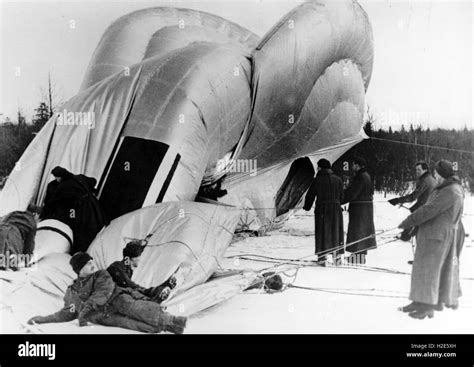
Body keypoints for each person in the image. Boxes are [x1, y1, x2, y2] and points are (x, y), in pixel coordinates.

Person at [27, 252, 187, 334]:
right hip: (103, 315)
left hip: (117, 298)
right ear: (79, 268)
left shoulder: (101, 275)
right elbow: (67, 313)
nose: (92, 265)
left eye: (91, 262)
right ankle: (168, 327)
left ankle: (174, 320)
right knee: (131, 325)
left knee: (132, 307)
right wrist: (42, 320)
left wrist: (87, 307)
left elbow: (105, 291)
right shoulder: (72, 291)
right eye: (88, 263)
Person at [398, 160, 465, 320]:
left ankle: (426, 306)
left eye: (436, 173)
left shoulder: (450, 191)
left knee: (429, 271)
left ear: (442, 174)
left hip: (437, 236)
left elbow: (429, 210)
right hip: (431, 235)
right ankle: (418, 301)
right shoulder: (445, 188)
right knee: (422, 269)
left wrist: (408, 222)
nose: (434, 175)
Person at [40, 166, 108, 254]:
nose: (56, 179)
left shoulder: (62, 186)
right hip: (93, 206)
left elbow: (54, 202)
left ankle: (83, 251)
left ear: (59, 176)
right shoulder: (79, 177)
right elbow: (93, 180)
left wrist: (44, 213)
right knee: (95, 225)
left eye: (56, 177)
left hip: (81, 209)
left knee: (83, 231)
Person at [107, 241, 177, 303]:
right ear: (130, 258)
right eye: (138, 256)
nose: (139, 259)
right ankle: (154, 296)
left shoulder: (127, 269)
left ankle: (158, 291)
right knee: (133, 291)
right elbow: (129, 285)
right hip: (110, 295)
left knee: (133, 291)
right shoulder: (116, 267)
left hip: (115, 294)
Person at [303, 159, 344, 265]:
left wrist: (307, 207)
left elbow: (310, 195)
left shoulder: (317, 180)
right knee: (335, 231)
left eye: (318, 167)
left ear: (320, 167)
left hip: (322, 209)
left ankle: (322, 258)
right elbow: (342, 196)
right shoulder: (338, 179)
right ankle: (337, 257)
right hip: (336, 209)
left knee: (322, 232)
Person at [388, 161, 436, 242]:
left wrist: (398, 200)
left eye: (419, 170)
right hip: (429, 210)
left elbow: (413, 197)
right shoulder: (431, 179)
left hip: (423, 211)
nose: (417, 172)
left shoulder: (425, 181)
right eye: (416, 170)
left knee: (414, 234)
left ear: (425, 170)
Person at [341, 157, 376, 264]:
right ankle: (360, 256)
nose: (352, 167)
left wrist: (340, 200)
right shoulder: (367, 175)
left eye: (353, 165)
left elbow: (353, 193)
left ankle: (357, 257)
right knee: (363, 231)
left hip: (359, 209)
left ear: (357, 165)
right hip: (366, 208)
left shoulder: (360, 177)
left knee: (357, 231)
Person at [0, 205, 40, 270]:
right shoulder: (32, 222)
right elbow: (29, 245)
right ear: (36, 215)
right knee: (10, 266)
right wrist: (27, 262)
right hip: (13, 235)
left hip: (2, 229)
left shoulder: (13, 213)